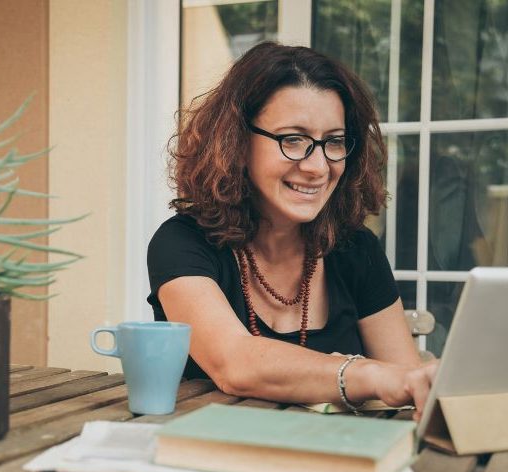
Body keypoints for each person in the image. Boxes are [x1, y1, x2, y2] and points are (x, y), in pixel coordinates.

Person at [147, 42, 437, 420]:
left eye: (333, 141)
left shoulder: (356, 248)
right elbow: (235, 363)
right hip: (210, 463)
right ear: (236, 141)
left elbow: (408, 381)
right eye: (293, 139)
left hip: (336, 464)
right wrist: (366, 372)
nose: (318, 166)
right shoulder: (182, 243)